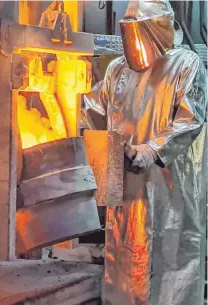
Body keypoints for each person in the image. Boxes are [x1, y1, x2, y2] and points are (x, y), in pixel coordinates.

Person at [82, 1, 207, 305]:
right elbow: (94, 112)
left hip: (171, 188)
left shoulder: (186, 65)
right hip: (126, 191)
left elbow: (191, 120)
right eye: (130, 33)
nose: (135, 43)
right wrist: (103, 165)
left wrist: (151, 151)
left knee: (171, 262)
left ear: (160, 29)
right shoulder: (117, 70)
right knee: (126, 264)